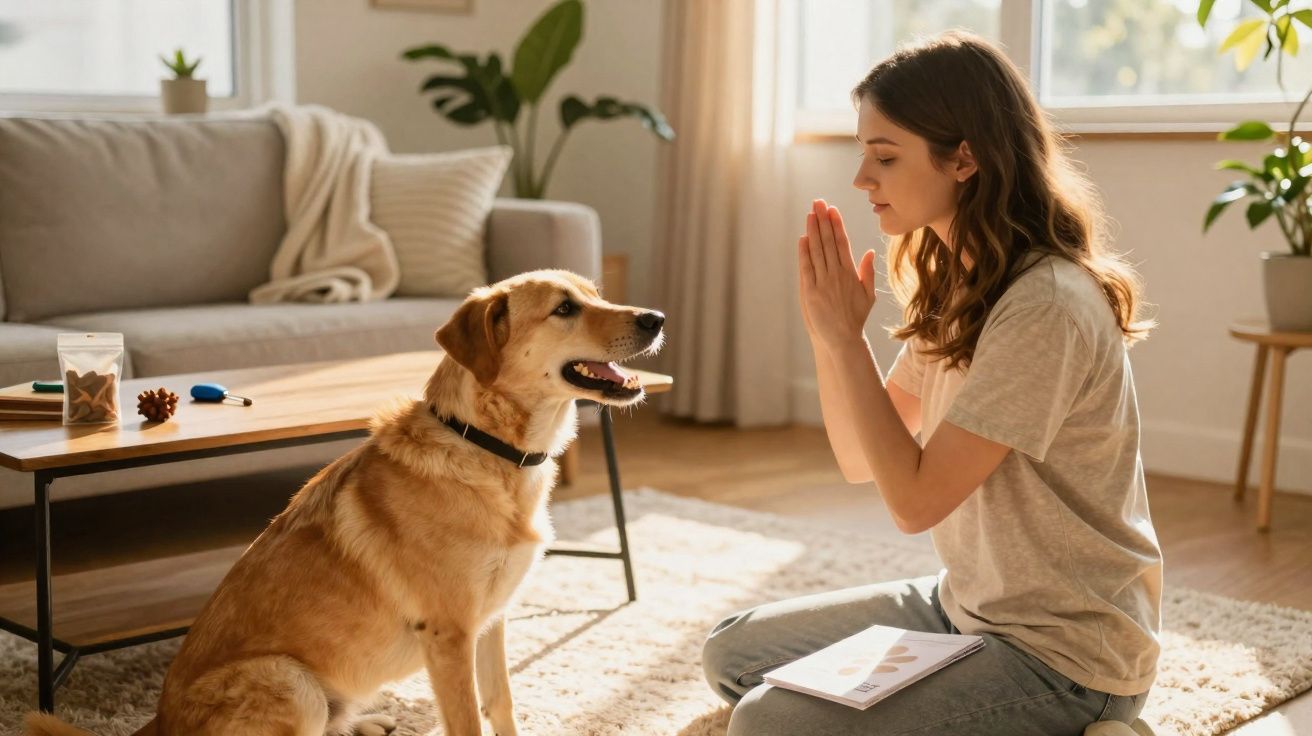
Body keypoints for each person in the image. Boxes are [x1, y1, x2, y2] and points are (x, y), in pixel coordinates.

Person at [701, 30, 1162, 736]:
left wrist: (850, 342)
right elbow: (862, 459)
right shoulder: (960, 286)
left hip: (1064, 653)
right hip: (966, 606)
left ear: (966, 159)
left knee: (769, 723)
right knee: (732, 653)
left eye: (885, 157)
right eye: (864, 153)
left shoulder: (1045, 306)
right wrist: (832, 338)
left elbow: (913, 502)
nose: (862, 179)